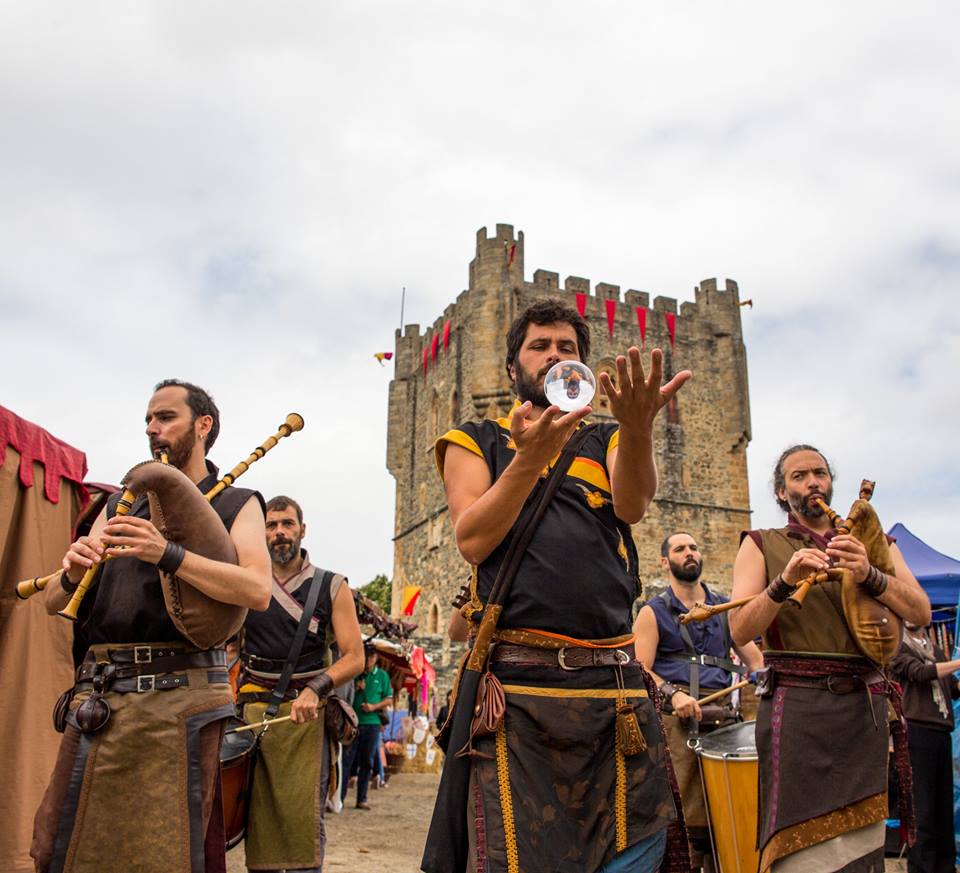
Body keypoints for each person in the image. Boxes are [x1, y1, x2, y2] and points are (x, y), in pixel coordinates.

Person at [424, 299, 691, 873]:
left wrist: (637, 426)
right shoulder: (474, 439)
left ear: (584, 368)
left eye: (566, 348)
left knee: (631, 849)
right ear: (513, 369)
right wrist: (528, 460)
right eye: (539, 346)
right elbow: (472, 539)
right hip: (518, 691)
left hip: (611, 686)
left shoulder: (604, 442)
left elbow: (634, 503)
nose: (553, 356)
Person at [32, 379, 273, 873]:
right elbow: (56, 601)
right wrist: (73, 570)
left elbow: (257, 590)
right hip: (100, 701)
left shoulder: (236, 502)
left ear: (203, 425)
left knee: (165, 855)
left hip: (180, 702)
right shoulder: (119, 503)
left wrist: (168, 554)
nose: (152, 429)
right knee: (60, 845)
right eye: (148, 419)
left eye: (165, 417)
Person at [729, 444, 931, 873]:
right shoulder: (762, 544)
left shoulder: (872, 543)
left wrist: (870, 574)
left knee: (862, 844)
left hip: (864, 710)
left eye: (819, 473)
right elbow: (740, 629)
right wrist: (783, 582)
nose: (812, 483)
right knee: (801, 853)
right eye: (799, 477)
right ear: (782, 493)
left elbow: (920, 612)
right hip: (798, 710)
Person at [238, 495, 364, 872]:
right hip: (254, 716)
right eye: (272, 525)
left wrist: (316, 688)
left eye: (287, 524)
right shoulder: (248, 584)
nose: (279, 532)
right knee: (256, 818)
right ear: (262, 533)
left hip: (305, 719)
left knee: (304, 820)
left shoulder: (331, 585)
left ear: (302, 530)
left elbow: (354, 657)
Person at [634, 532, 764, 871]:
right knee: (688, 819)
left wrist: (763, 674)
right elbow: (640, 670)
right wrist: (673, 693)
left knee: (730, 815)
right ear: (664, 561)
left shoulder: (725, 608)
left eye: (693, 547)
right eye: (679, 549)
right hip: (677, 724)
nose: (689, 553)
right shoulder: (653, 612)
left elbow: (755, 659)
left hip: (725, 721)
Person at [889, 623, 960, 873]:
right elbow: (920, 673)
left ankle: (945, 867)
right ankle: (922, 868)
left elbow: (952, 687)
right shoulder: (897, 648)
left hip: (941, 731)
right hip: (915, 732)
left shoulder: (935, 650)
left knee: (942, 808)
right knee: (923, 808)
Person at [341, 642, 393, 810]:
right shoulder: (355, 674)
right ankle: (339, 799)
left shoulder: (382, 676)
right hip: (353, 723)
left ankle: (361, 799)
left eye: (370, 657)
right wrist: (357, 688)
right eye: (366, 657)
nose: (368, 661)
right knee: (347, 761)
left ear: (375, 658)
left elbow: (388, 698)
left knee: (367, 762)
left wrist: (373, 707)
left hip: (372, 724)